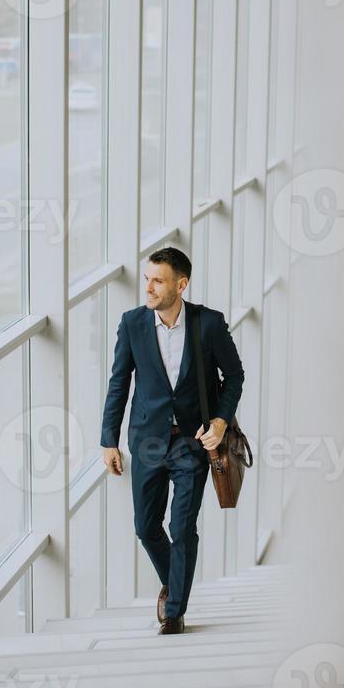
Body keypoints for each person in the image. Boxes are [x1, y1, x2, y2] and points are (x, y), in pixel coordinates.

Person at [100, 246, 245, 634]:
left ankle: (175, 612)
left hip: (192, 443)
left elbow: (235, 376)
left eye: (157, 281)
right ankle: (174, 581)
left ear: (180, 285)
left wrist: (219, 420)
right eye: (146, 278)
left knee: (182, 528)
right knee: (146, 527)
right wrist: (108, 440)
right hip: (146, 441)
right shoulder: (132, 324)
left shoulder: (208, 324)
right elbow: (119, 383)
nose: (148, 287)